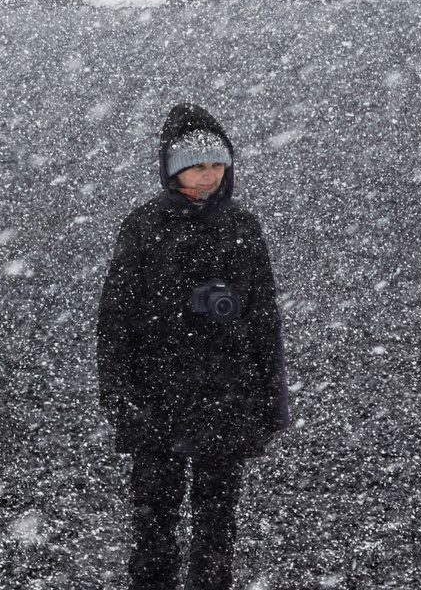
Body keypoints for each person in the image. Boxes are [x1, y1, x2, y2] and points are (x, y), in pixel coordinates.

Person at [96, 103, 290, 590]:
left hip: (226, 396)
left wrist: (273, 400)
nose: (210, 176)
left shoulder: (242, 226)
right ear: (173, 169)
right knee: (153, 527)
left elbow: (265, 318)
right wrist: (118, 392)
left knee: (216, 531)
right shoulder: (143, 227)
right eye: (198, 166)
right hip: (155, 395)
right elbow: (116, 319)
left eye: (218, 164)